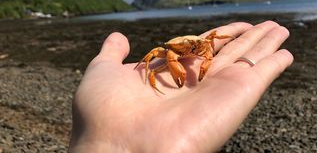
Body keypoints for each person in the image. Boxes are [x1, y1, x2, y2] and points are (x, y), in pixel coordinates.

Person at [69, 20, 293, 153]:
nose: (192, 47)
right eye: (189, 45)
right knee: (154, 64)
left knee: (205, 44)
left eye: (194, 44)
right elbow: (154, 57)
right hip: (172, 53)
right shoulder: (169, 52)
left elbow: (209, 43)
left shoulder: (200, 44)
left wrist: (204, 55)